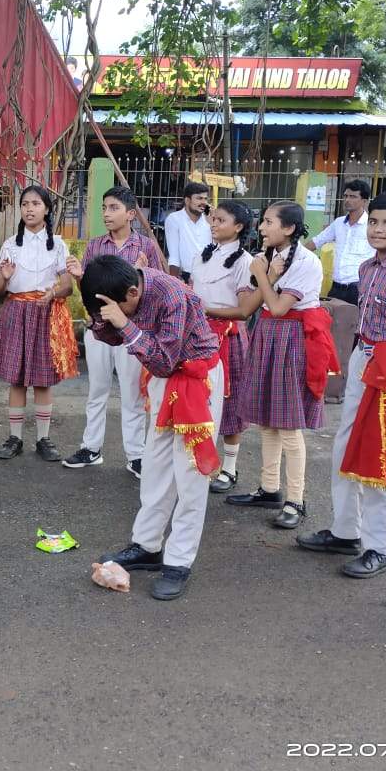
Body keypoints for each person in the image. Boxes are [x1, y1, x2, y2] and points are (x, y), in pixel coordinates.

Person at [297, 190, 386, 577]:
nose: (378, 229)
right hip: (365, 357)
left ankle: (379, 546)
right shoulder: (367, 268)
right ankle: (345, 531)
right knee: (348, 443)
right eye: (374, 221)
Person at [87, 255, 222, 600]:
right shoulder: (124, 288)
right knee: (156, 466)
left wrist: (125, 325)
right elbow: (114, 338)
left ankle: (178, 562)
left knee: (190, 474)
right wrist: (110, 320)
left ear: (133, 292)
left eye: (119, 309)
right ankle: (147, 546)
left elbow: (163, 359)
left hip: (195, 380)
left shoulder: (173, 296)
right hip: (165, 382)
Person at [226, 201, 339, 529]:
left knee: (289, 425)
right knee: (268, 421)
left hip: (292, 337)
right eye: (262, 222)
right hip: (269, 334)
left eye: (268, 222)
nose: (261, 228)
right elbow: (257, 304)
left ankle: (296, 499)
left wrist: (262, 274)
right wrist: (265, 273)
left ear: (288, 229)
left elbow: (276, 306)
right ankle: (270, 488)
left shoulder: (306, 261)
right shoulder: (270, 258)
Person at [63, 186, 163, 477]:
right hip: (99, 327)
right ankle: (91, 448)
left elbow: (153, 290)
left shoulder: (145, 247)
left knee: (132, 394)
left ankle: (136, 455)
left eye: (114, 208)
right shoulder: (95, 246)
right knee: (97, 389)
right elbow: (89, 290)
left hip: (131, 329)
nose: (107, 213)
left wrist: (141, 273)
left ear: (131, 214)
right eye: (104, 207)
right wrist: (81, 278)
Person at [0, 185, 78, 461]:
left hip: (45, 313)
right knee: (16, 379)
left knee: (42, 380)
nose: (29, 209)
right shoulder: (10, 245)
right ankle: (15, 438)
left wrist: (52, 293)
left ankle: (43, 439)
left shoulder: (59, 245)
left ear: (47, 209)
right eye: (25, 204)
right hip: (16, 311)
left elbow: (67, 286)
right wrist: (4, 277)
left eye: (36, 204)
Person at [191, 200, 258, 494]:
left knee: (230, 402)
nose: (214, 224)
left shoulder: (245, 262)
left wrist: (207, 311)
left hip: (228, 337)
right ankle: (200, 460)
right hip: (199, 335)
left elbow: (245, 310)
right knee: (199, 398)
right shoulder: (202, 256)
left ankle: (229, 468)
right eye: (213, 219)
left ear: (239, 227)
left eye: (220, 220)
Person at [306, 179, 375, 305]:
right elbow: (317, 241)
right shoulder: (338, 223)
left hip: (359, 288)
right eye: (346, 196)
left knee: (356, 323)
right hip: (336, 287)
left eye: (353, 196)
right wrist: (293, 254)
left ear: (364, 201)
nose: (347, 200)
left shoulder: (371, 226)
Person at [163, 182, 212, 283]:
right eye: (199, 198)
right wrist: (174, 283)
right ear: (187, 200)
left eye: (205, 199)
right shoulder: (174, 219)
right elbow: (174, 255)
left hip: (211, 276)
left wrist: (213, 224)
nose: (204, 202)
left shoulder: (210, 220)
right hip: (186, 277)